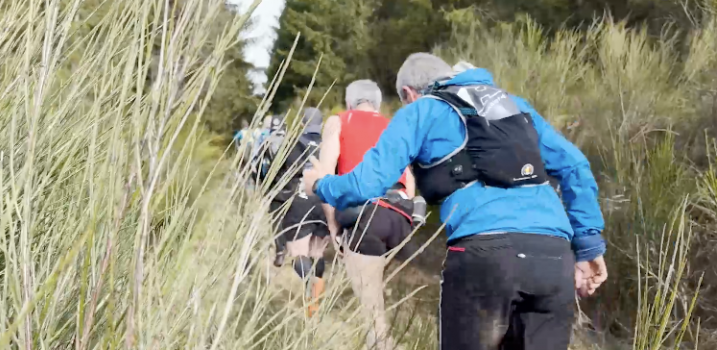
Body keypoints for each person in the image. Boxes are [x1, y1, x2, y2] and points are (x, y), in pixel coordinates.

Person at [304, 53, 608, 350]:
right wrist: (589, 245)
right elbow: (574, 166)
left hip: (485, 256)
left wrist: (320, 184)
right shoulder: (513, 105)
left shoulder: (421, 111)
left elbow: (366, 184)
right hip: (553, 259)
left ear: (409, 93)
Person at [317, 79, 417, 350]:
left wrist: (333, 226)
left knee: (374, 317)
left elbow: (324, 177)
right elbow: (409, 180)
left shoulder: (339, 122)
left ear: (350, 103)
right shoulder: (394, 125)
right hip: (400, 215)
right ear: (377, 104)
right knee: (397, 303)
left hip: (366, 217)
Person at [259, 108, 329, 318]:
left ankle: (310, 288)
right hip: (326, 201)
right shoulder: (329, 144)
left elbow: (275, 171)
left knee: (298, 253)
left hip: (301, 200)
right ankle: (314, 308)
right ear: (321, 124)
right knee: (317, 253)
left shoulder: (292, 143)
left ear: (301, 124)